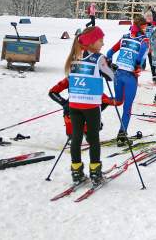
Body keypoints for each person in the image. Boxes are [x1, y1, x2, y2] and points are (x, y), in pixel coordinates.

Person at [63, 26, 114, 186]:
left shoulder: (73, 56)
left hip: (75, 104)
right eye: (100, 40)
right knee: (93, 139)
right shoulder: (98, 58)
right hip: (91, 105)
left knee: (76, 138)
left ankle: (76, 172)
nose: (103, 43)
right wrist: (110, 67)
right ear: (92, 42)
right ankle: (95, 173)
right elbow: (111, 76)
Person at [107, 16, 149, 146]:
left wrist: (110, 64)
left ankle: (94, 108)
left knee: (118, 101)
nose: (147, 28)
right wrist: (137, 65)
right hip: (130, 76)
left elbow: (109, 52)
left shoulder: (124, 36)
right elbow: (141, 53)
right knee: (127, 107)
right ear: (142, 26)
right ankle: (122, 135)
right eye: (146, 26)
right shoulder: (144, 40)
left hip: (118, 74)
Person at [143, 11, 156, 83]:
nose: (149, 17)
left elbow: (155, 36)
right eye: (148, 16)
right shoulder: (142, 26)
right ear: (145, 18)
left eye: (151, 16)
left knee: (151, 60)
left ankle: (154, 74)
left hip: (151, 47)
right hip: (143, 46)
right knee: (141, 59)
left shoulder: (154, 27)